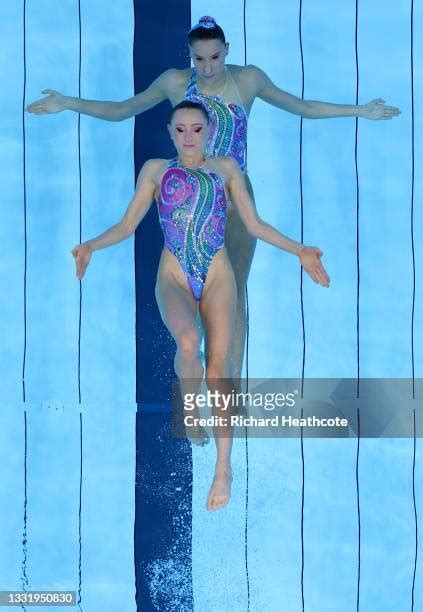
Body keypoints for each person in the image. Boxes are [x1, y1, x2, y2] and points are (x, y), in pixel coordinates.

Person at [27, 15, 400, 379]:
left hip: (235, 200)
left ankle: (227, 391)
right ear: (190, 56)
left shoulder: (248, 80)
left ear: (227, 50)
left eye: (215, 57)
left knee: (232, 296)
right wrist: (68, 103)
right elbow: (123, 109)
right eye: (199, 59)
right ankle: (189, 397)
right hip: (187, 205)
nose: (207, 68)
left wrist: (360, 111)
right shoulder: (175, 83)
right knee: (189, 309)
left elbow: (302, 107)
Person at [71, 100, 330, 511]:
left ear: (208, 131)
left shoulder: (226, 169)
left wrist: (300, 251)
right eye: (181, 130)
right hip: (174, 274)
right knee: (189, 344)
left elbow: (255, 224)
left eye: (196, 129)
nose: (188, 137)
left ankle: (223, 467)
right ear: (170, 132)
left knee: (219, 367)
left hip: (217, 274)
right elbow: (127, 224)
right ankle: (190, 408)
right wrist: (91, 246)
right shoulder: (156, 170)